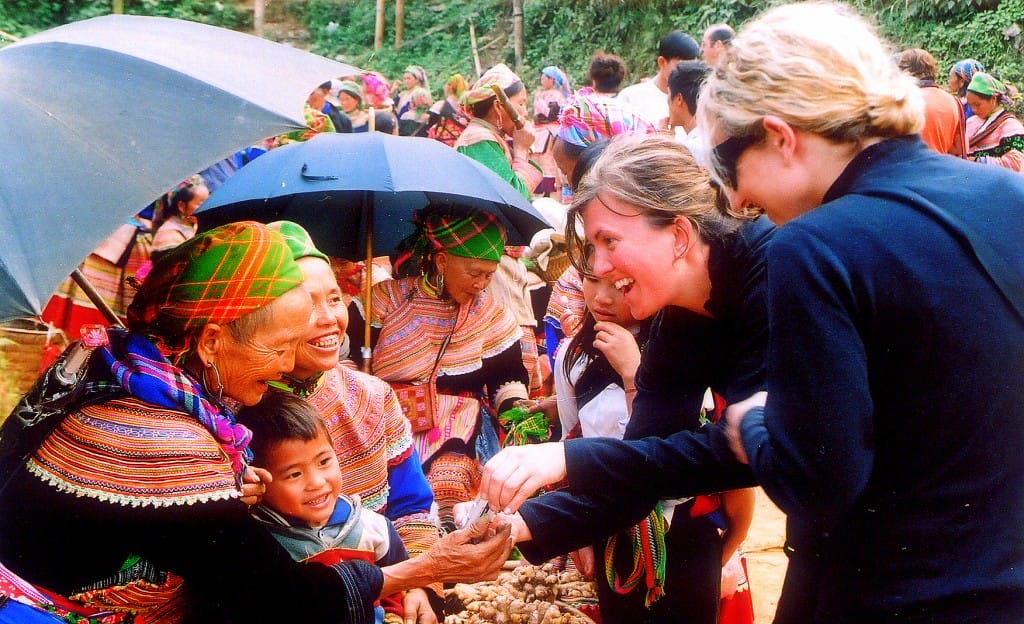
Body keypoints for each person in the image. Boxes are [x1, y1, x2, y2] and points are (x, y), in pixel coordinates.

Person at [484, 3, 1024, 622]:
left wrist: (758, 426)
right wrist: (531, 516)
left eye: (731, 166)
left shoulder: (815, 247)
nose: (737, 197)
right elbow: (656, 450)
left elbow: (817, 477)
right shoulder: (1009, 195)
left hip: (884, 591)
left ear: (781, 137)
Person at [0, 221, 513, 623]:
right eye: (279, 348)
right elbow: (276, 599)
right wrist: (428, 568)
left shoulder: (120, 369)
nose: (289, 366)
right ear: (212, 342)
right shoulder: (162, 437)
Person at [490, 135, 767, 624]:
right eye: (593, 247)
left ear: (679, 236)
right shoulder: (680, 321)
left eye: (609, 242)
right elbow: (643, 467)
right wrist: (517, 528)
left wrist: (565, 457)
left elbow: (754, 449)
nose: (598, 268)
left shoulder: (777, 277)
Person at [266, 221, 445, 621]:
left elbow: (413, 507)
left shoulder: (373, 397)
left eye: (334, 298)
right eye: (307, 304)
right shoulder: (234, 412)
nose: (330, 317)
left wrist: (420, 581)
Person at [348, 209, 530, 533]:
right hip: (387, 420)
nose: (481, 284)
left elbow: (508, 378)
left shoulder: (491, 313)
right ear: (442, 261)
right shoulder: (385, 299)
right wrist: (359, 391)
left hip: (461, 427)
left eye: (489, 275)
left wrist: (519, 414)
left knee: (450, 473)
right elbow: (345, 362)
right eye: (475, 272)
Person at [237, 392, 415, 624]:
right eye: (294, 474)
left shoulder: (374, 528)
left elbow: (396, 584)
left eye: (324, 462)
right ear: (259, 480)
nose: (317, 482)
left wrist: (394, 616)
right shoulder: (262, 544)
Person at [455, 63, 543, 201]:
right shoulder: (479, 139)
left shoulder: (490, 135)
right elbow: (514, 198)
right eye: (521, 104)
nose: (525, 112)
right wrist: (521, 149)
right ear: (498, 106)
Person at [617, 31, 700, 127]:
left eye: (693, 66)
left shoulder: (700, 99)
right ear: (662, 62)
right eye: (682, 66)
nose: (688, 72)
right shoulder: (631, 98)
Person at [897, 48, 966, 157]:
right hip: (940, 168)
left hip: (909, 169)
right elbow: (959, 148)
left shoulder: (903, 100)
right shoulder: (953, 101)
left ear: (904, 72)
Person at [964, 71, 1024, 170]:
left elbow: (1015, 164)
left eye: (977, 104)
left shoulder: (1012, 128)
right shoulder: (971, 122)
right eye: (971, 105)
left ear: (993, 99)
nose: (974, 110)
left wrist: (975, 162)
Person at [667, 60, 712, 162]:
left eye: (668, 94)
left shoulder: (688, 150)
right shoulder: (715, 138)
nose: (667, 100)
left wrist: (663, 145)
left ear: (679, 99)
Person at [151, 174, 209, 253]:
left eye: (208, 201)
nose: (207, 206)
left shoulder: (192, 225)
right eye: (201, 203)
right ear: (181, 206)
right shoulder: (170, 236)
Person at [427, 74, 470, 146]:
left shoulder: (439, 106)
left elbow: (430, 124)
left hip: (442, 143)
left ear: (449, 87)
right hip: (463, 143)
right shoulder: (468, 106)